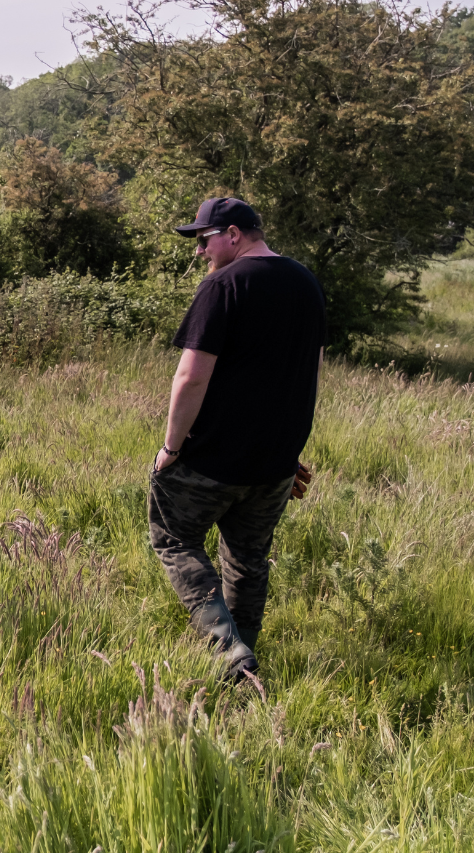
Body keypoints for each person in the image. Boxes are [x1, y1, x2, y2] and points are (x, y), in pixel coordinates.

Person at [152, 197, 323, 684]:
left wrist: (171, 448)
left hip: (212, 457)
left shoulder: (224, 285)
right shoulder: (306, 284)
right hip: (275, 462)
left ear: (232, 233)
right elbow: (303, 373)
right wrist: (287, 450)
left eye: (204, 241)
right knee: (249, 555)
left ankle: (228, 652)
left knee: (173, 539)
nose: (201, 252)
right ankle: (247, 659)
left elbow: (190, 377)